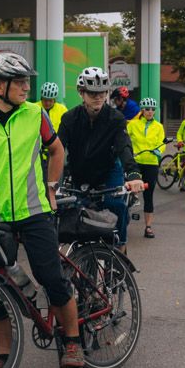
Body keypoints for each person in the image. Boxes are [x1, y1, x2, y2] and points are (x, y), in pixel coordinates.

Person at [0, 51, 83, 368]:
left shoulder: (35, 114)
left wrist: (51, 187)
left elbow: (57, 150)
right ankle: (3, 358)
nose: (26, 87)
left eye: (27, 81)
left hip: (35, 210)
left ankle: (73, 341)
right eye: (20, 81)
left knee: (51, 276)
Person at [58, 67, 147, 250]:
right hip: (79, 173)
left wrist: (133, 173)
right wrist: (51, 184)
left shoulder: (115, 118)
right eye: (92, 93)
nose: (98, 97)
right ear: (81, 93)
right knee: (71, 211)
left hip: (108, 171)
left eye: (102, 92)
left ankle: (119, 248)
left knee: (116, 205)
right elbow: (57, 151)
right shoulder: (69, 118)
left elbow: (124, 146)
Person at [126, 97, 165, 237]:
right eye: (147, 109)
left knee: (149, 195)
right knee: (128, 191)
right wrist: (128, 151)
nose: (150, 112)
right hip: (135, 161)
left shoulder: (159, 126)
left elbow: (162, 142)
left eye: (152, 109)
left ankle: (148, 227)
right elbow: (124, 138)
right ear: (142, 110)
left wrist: (159, 151)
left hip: (151, 163)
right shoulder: (133, 124)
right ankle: (124, 219)